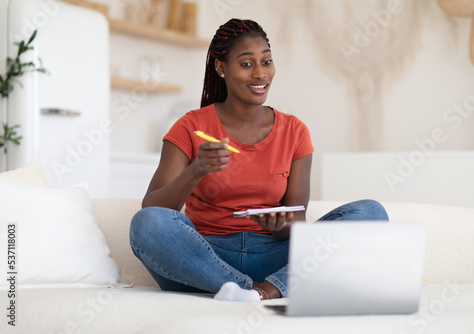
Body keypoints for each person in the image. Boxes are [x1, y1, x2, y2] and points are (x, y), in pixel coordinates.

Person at [130, 18, 389, 302]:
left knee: (372, 213)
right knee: (147, 224)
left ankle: (267, 290)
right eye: (246, 64)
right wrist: (197, 170)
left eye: (266, 62)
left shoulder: (294, 131)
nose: (260, 74)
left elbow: (299, 223)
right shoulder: (190, 126)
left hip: (275, 258)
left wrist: (280, 227)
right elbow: (154, 208)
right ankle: (249, 289)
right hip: (206, 257)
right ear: (221, 68)